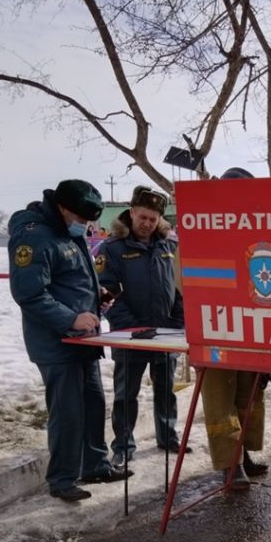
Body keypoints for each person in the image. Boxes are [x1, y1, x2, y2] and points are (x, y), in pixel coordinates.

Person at [8, 180, 131, 502]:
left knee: (92, 405)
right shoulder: (34, 237)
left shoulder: (67, 233)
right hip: (56, 343)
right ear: (62, 207)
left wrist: (97, 298)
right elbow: (29, 293)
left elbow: (70, 280)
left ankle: (95, 465)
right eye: (81, 219)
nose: (86, 226)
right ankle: (62, 479)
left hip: (83, 341)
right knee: (67, 411)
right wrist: (71, 318)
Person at [95, 185, 186, 466]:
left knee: (166, 390)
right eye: (142, 217)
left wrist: (178, 323)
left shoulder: (170, 247)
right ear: (131, 212)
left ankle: (168, 437)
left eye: (153, 218)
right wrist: (130, 327)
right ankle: (123, 445)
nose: (147, 223)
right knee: (126, 394)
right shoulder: (112, 248)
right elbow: (107, 293)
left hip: (164, 334)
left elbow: (180, 290)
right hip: (131, 335)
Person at [199, 167, 269, 489]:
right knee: (220, 397)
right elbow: (187, 281)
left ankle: (245, 454)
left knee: (249, 396)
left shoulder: (261, 227)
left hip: (253, 327)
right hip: (216, 326)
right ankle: (229, 464)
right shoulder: (203, 227)